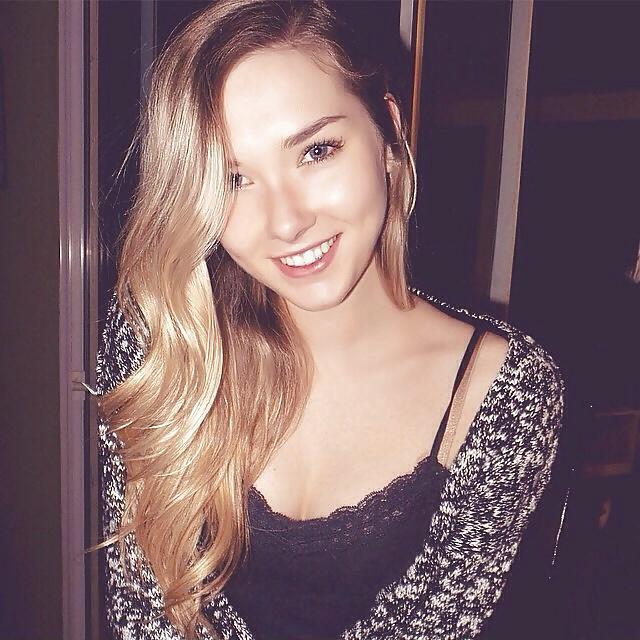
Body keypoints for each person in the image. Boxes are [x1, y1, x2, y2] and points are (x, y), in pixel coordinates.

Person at [95, 1, 565, 639]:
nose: (287, 221)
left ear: (387, 134)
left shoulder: (507, 392)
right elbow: (145, 616)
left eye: (316, 151)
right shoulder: (160, 349)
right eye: (233, 178)